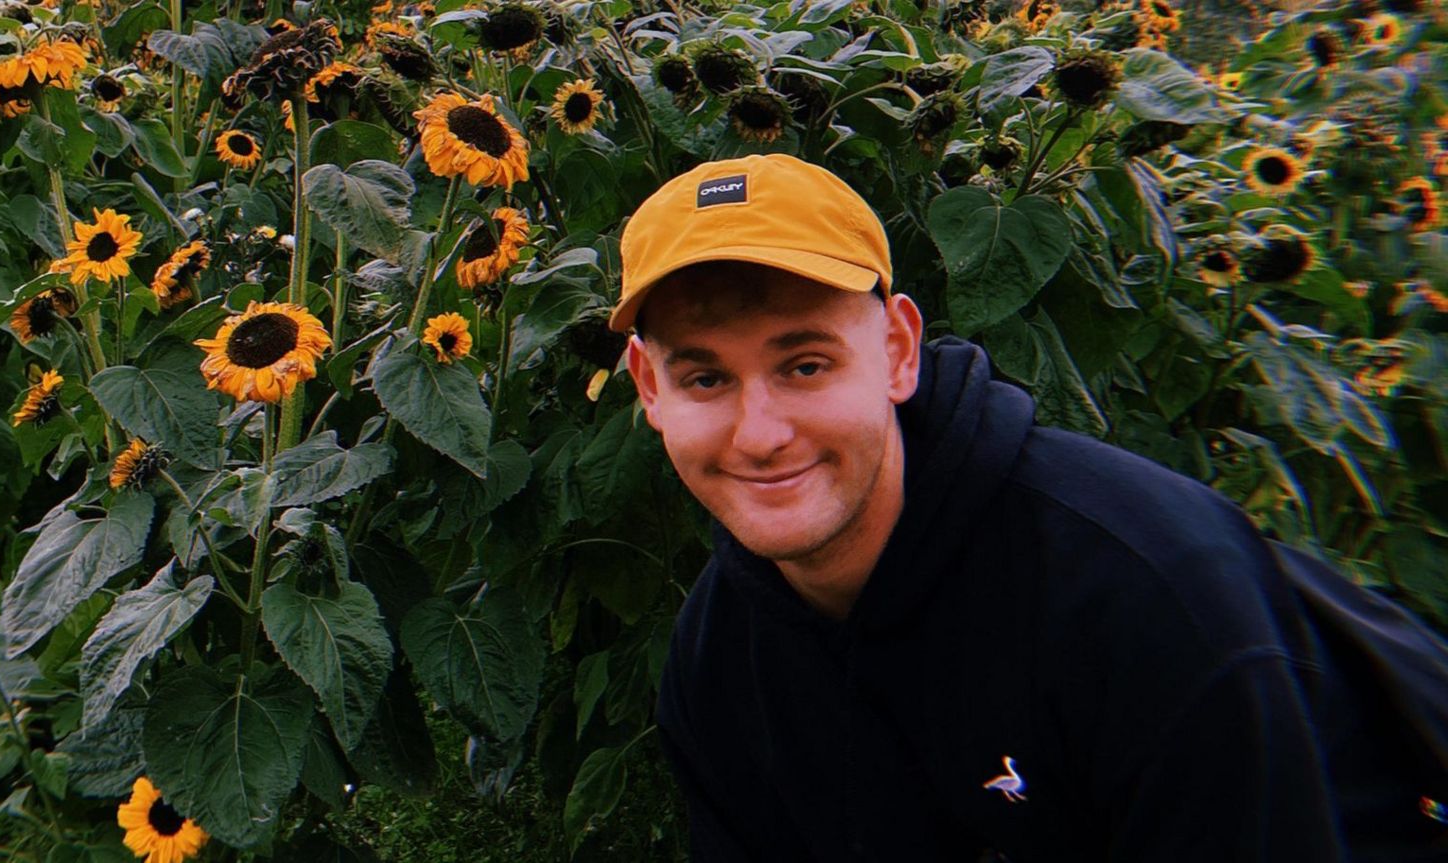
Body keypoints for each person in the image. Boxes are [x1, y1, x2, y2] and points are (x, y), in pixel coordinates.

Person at [608, 152, 1448, 862]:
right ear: (651, 390)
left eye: (805, 365)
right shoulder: (721, 659)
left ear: (897, 353)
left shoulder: (1146, 599)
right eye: (706, 378)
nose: (760, 435)